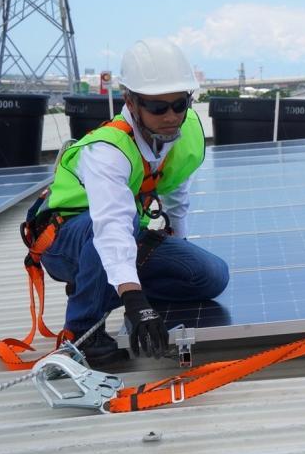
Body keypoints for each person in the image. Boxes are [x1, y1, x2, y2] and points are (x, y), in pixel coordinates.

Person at [30, 38, 230, 367]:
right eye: (157, 107)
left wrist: (177, 252)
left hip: (125, 233)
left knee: (211, 275)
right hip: (66, 239)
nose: (171, 116)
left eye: (179, 104)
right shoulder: (107, 150)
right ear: (131, 101)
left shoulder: (188, 132)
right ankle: (82, 332)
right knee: (111, 232)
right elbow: (111, 226)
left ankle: (109, 285)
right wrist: (135, 300)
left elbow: (176, 198)